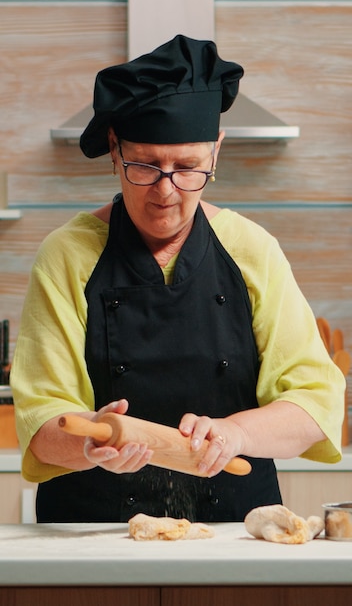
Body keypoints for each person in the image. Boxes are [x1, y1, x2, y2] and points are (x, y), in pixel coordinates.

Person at [11, 35, 345, 523]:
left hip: (237, 531)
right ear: (114, 150)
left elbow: (315, 402)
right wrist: (92, 440)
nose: (166, 191)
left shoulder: (253, 250)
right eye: (145, 166)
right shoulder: (66, 255)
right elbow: (43, 419)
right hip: (94, 535)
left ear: (216, 154)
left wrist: (238, 434)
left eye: (187, 167)